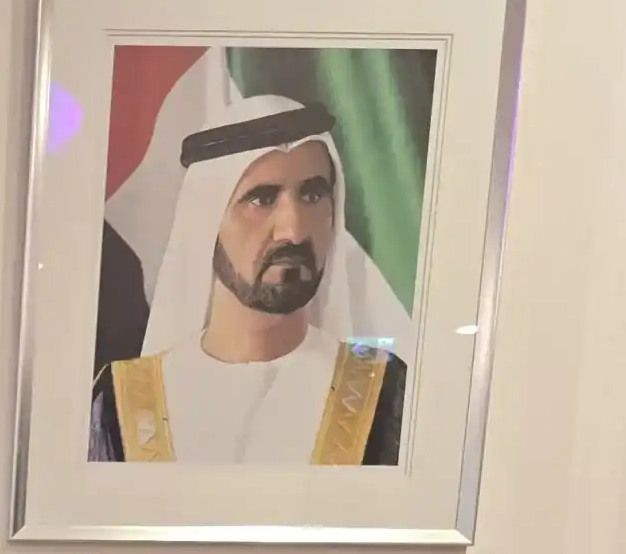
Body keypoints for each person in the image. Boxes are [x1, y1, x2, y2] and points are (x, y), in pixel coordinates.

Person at [89, 96, 407, 466]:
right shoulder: (120, 404)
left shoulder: (384, 391)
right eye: (261, 199)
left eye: (312, 195)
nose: (293, 230)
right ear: (208, 220)